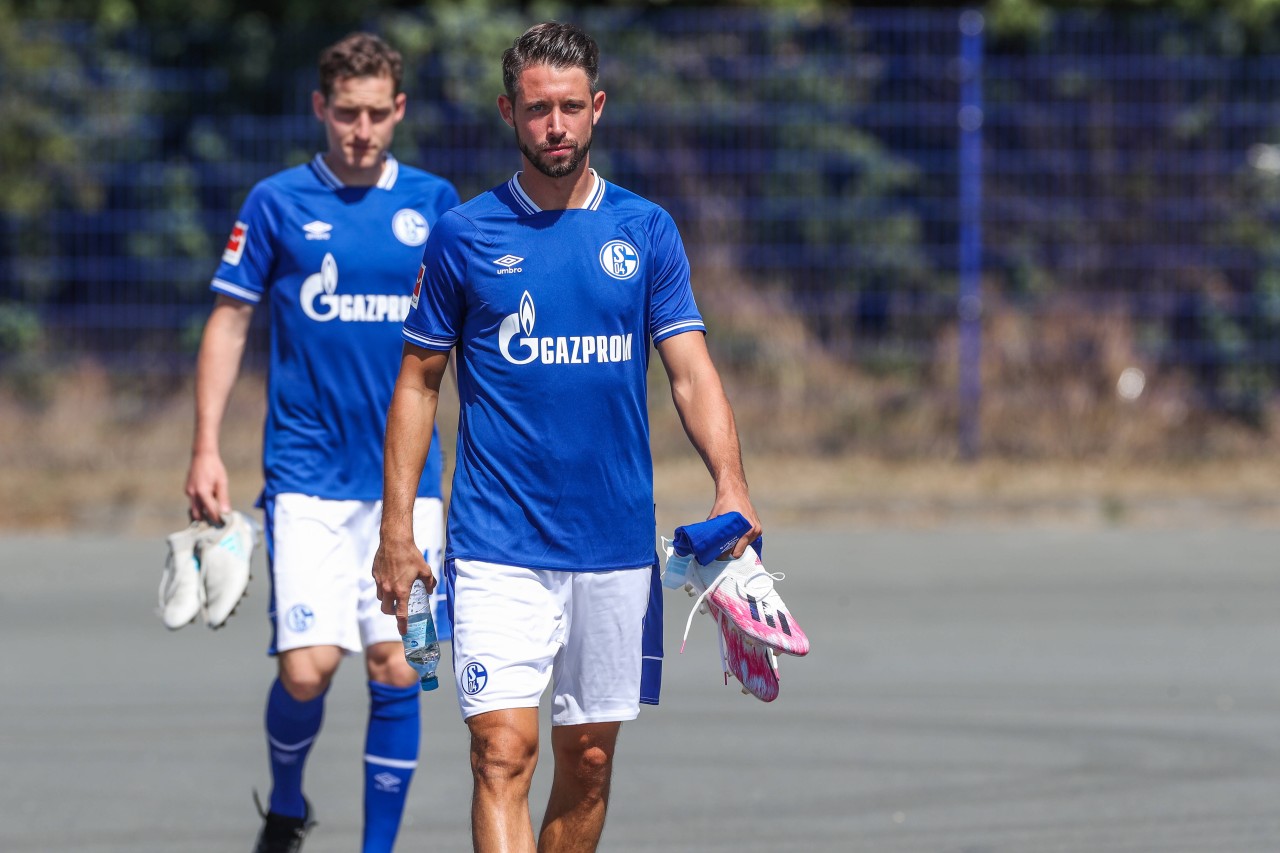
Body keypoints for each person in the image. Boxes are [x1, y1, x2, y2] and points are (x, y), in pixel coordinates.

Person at [372, 22, 761, 852]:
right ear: (509, 111)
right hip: (496, 543)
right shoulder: (465, 236)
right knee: (499, 752)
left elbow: (690, 372)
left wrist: (731, 484)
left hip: (615, 541)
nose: (556, 125)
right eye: (538, 108)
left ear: (598, 110)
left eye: (572, 108)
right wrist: (397, 531)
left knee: (586, 758)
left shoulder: (646, 230)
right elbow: (417, 382)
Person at [183, 32, 460, 853]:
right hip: (305, 477)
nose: (361, 130)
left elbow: (470, 338)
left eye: (378, 114)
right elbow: (230, 320)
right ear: (320, 108)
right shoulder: (275, 202)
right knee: (308, 669)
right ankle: (288, 804)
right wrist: (205, 446)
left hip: (412, 488)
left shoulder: (437, 204)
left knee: (399, 665)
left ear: (399, 111)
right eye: (347, 113)